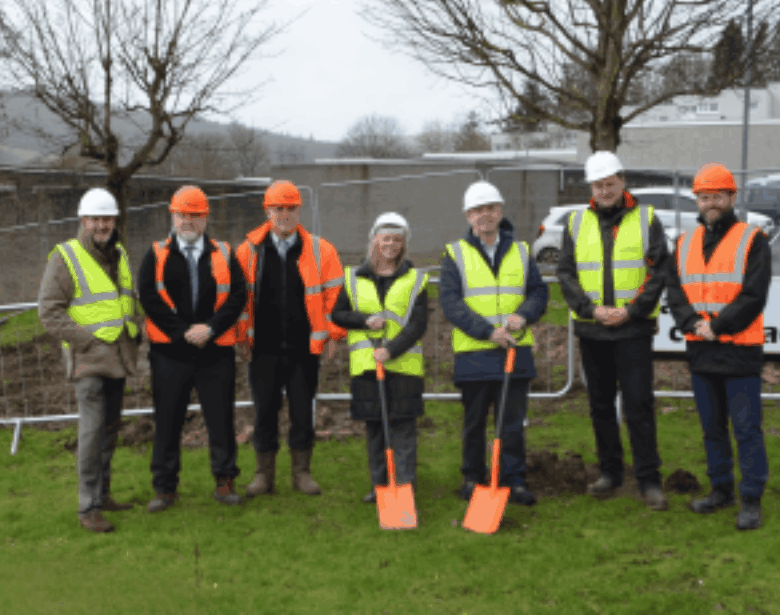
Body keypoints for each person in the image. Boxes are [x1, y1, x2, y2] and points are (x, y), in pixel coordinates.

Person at [556, 151, 671, 510]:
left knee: (639, 405)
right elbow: (565, 273)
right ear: (591, 187)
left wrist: (631, 311)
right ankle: (610, 472)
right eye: (598, 185)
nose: (604, 190)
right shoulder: (576, 222)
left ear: (622, 181)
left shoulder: (646, 219)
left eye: (609, 183)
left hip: (633, 330)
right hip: (593, 330)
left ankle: (648, 479)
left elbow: (659, 271)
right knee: (600, 406)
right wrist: (591, 310)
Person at [664, 162, 772, 531]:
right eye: (704, 197)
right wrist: (692, 323)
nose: (710, 203)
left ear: (731, 197)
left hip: (740, 351)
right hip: (701, 351)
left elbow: (754, 295)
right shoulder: (684, 243)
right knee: (712, 429)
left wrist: (717, 326)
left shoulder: (753, 239)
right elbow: (675, 291)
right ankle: (720, 490)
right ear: (697, 200)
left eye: (717, 196)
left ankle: (751, 498)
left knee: (746, 429)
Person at [137, 186, 248, 513]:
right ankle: (164, 488)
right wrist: (182, 332)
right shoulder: (156, 254)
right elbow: (149, 297)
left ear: (205, 218)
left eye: (195, 215)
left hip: (215, 353)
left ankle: (225, 482)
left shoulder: (225, 252)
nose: (188, 220)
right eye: (182, 214)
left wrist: (211, 328)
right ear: (172, 215)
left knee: (221, 420)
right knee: (167, 421)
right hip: (170, 354)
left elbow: (238, 296)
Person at [38, 187, 142, 534]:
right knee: (92, 432)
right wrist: (86, 340)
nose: (102, 225)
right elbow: (49, 312)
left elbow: (125, 299)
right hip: (88, 361)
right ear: (83, 220)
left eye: (107, 219)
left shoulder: (119, 253)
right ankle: (88, 506)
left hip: (117, 357)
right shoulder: (65, 257)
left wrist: (134, 332)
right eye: (95, 219)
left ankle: (103, 494)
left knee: (109, 430)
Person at [233, 180, 346, 497]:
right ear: (267, 210)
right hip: (262, 349)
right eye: (278, 208)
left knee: (302, 411)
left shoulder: (321, 250)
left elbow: (335, 297)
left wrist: (334, 335)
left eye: (290, 208)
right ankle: (263, 475)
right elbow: (237, 300)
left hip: (303, 348)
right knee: (264, 412)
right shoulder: (247, 251)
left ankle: (302, 473)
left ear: (299, 210)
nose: (284, 214)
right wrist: (240, 338)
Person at [440, 181, 548, 505]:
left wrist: (523, 316)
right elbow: (451, 303)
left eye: (490, 208)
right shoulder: (454, 254)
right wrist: (488, 331)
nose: (484, 215)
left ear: (500, 211)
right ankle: (473, 477)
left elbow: (539, 292)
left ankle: (513, 480)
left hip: (515, 350)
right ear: (468, 216)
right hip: (474, 353)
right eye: (477, 210)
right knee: (474, 423)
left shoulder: (522, 250)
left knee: (512, 423)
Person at [330, 212, 429, 503]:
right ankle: (380, 486)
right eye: (386, 238)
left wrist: (392, 350)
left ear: (404, 244)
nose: (391, 245)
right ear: (374, 240)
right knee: (375, 430)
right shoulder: (353, 277)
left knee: (403, 430)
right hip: (367, 368)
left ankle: (404, 487)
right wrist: (364, 321)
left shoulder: (415, 279)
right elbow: (337, 314)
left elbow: (418, 324)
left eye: (397, 240)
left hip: (404, 367)